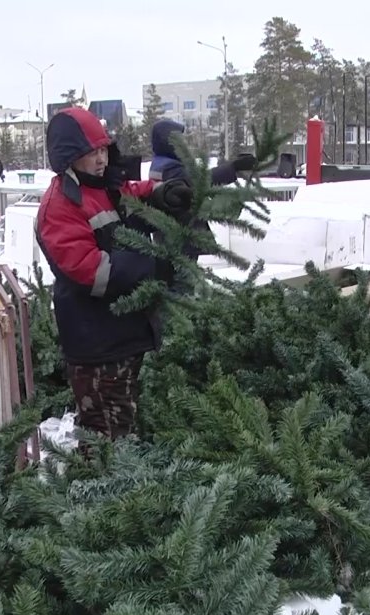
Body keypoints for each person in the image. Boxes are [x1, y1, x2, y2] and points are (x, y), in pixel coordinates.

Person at [36, 107, 192, 440]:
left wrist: (161, 193)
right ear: (68, 157)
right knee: (106, 435)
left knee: (124, 423)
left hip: (123, 336)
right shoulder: (61, 206)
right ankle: (95, 488)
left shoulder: (100, 188)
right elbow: (92, 272)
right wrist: (154, 265)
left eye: (103, 149)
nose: (101, 159)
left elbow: (132, 194)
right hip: (97, 345)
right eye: (90, 152)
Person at [148, 119, 257, 291]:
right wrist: (233, 168)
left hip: (177, 238)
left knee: (185, 283)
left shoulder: (163, 164)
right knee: (184, 288)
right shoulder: (168, 168)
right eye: (180, 140)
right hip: (180, 239)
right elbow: (198, 181)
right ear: (169, 142)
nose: (185, 145)